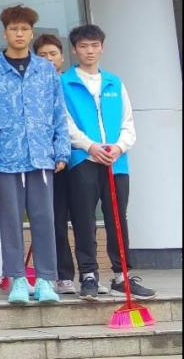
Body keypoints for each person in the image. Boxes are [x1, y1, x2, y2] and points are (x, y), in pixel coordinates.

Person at [0, 5, 69, 305]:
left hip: (41, 153)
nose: (19, 34)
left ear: (31, 33)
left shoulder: (46, 69)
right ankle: (16, 278)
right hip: (4, 154)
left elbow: (58, 112)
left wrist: (62, 149)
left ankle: (45, 280)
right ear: (5, 33)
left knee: (44, 218)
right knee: (10, 219)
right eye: (14, 29)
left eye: (24, 29)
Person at [62, 24, 155, 301]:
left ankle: (121, 275)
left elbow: (128, 123)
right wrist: (90, 146)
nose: (89, 51)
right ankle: (88, 274)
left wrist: (118, 147)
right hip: (83, 159)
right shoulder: (64, 82)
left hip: (117, 161)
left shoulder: (115, 82)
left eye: (94, 45)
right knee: (84, 219)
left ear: (102, 47)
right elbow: (64, 123)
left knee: (117, 218)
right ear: (74, 50)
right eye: (83, 46)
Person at [31, 34, 76, 295]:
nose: (48, 59)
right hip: (49, 162)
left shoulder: (71, 82)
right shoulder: (34, 85)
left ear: (61, 56)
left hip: (78, 158)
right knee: (55, 220)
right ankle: (62, 275)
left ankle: (90, 274)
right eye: (42, 55)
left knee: (82, 220)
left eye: (53, 54)